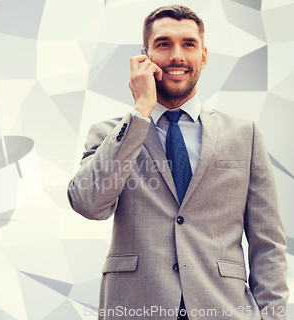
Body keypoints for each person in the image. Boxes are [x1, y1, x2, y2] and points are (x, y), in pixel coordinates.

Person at [67, 5, 288, 320]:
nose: (176, 55)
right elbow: (89, 204)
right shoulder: (110, 133)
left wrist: (273, 317)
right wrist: (141, 108)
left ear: (204, 55)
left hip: (223, 308)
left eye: (188, 44)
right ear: (145, 57)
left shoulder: (244, 134)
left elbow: (268, 243)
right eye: (163, 44)